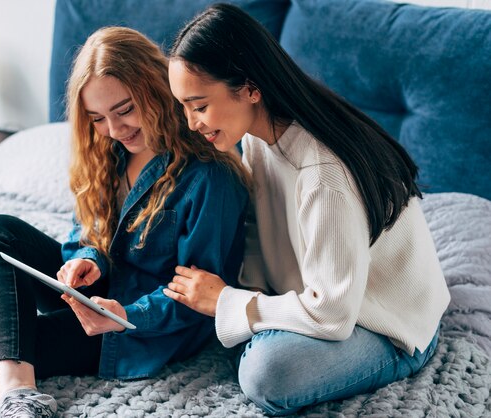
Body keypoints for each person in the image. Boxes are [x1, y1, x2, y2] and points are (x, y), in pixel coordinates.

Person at [0, 26, 249, 418]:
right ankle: (19, 393)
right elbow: (88, 229)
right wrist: (87, 259)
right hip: (98, 293)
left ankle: (14, 397)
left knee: (3, 348)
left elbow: (198, 298)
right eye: (98, 118)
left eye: (125, 110)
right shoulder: (110, 154)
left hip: (142, 325)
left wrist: (124, 316)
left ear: (158, 88)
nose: (115, 131)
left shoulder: (209, 176)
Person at [164, 3, 451, 416]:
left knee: (266, 373)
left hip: (388, 325)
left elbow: (333, 313)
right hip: (328, 296)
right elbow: (259, 238)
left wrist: (228, 302)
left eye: (199, 105)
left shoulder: (323, 173)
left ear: (249, 88)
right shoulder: (260, 138)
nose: (191, 123)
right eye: (184, 107)